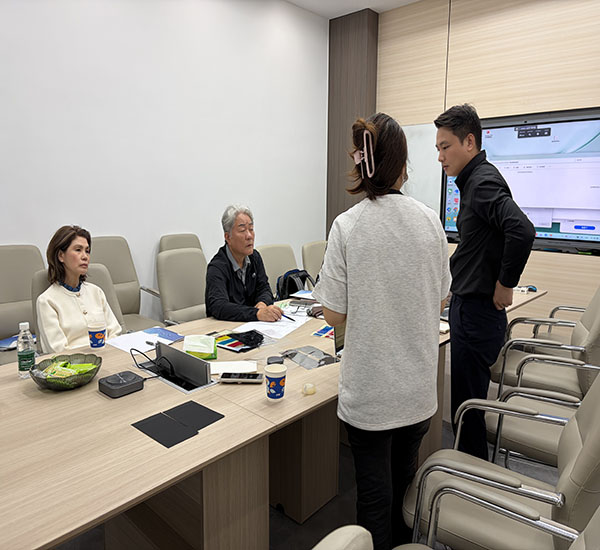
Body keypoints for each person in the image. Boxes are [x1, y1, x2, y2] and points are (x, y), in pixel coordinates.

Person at [312, 113, 451, 550]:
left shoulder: (348, 225)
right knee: (404, 489)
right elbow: (441, 300)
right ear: (403, 166)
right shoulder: (430, 221)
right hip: (416, 391)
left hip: (371, 394)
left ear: (361, 164)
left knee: (374, 497)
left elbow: (332, 314)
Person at [434, 104, 535, 460]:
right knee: (469, 406)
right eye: (438, 149)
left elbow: (522, 230)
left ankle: (469, 475)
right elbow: (481, 245)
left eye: (446, 147)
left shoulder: (481, 182)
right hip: (470, 308)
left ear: (469, 142)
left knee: (468, 410)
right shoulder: (475, 181)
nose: (440, 157)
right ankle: (470, 469)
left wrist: (506, 283)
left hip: (476, 315)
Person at [37, 225, 122, 354]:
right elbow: (58, 350)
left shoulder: (96, 292)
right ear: (61, 256)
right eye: (78, 250)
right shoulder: (46, 301)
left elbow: (115, 332)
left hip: (109, 358)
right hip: (74, 365)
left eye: (87, 251)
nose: (85, 256)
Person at [205, 204, 283, 322]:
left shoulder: (254, 257)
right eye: (242, 230)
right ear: (228, 237)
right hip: (226, 327)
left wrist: (262, 304)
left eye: (251, 229)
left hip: (253, 325)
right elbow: (219, 306)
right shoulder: (217, 267)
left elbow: (264, 288)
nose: (249, 236)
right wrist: (256, 314)